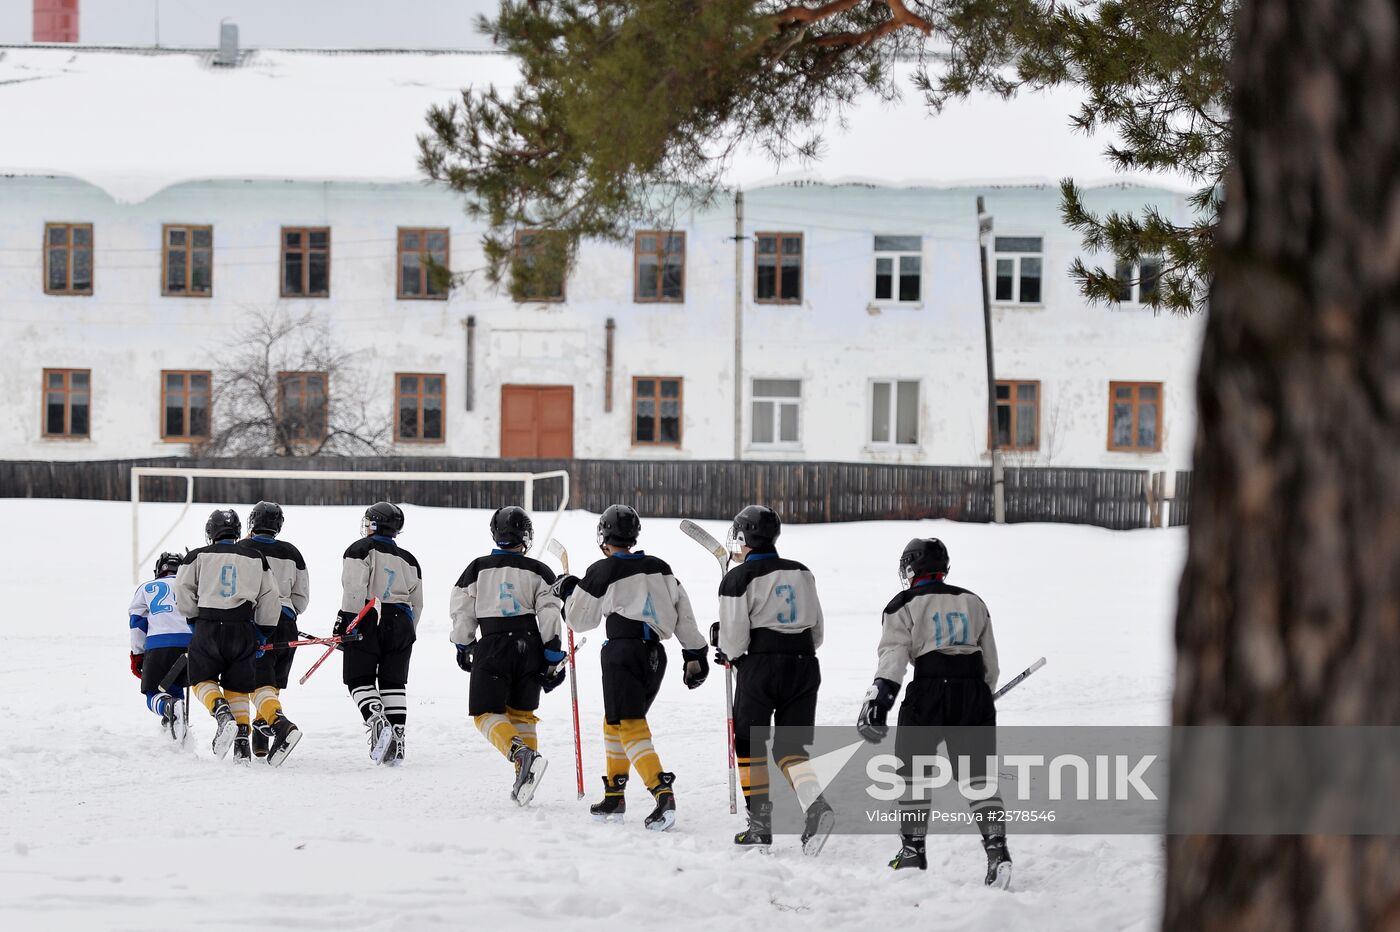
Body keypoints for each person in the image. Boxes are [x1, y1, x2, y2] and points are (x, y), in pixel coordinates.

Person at [855, 537, 1011, 889]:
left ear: (912, 567)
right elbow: (991, 664)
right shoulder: (974, 601)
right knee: (978, 779)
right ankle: (997, 852)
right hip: (972, 690)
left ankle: (912, 850)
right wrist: (981, 698)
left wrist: (878, 700)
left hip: (929, 692)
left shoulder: (903, 603)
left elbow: (893, 656)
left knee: (912, 771)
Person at [559, 505, 709, 831]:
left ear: (603, 536)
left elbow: (578, 619)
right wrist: (694, 653)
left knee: (628, 724)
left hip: (622, 652)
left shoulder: (603, 570)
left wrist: (568, 590)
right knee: (616, 722)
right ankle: (615, 794)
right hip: (656, 656)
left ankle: (662, 791)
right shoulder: (660, 567)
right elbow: (683, 612)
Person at [714, 504, 831, 854]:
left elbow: (734, 640)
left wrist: (727, 650)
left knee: (749, 744)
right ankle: (816, 806)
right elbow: (818, 633)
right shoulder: (802, 571)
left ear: (744, 538)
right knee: (791, 748)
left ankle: (760, 826)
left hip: (761, 667)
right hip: (805, 664)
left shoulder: (737, 579)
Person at [449, 506, 565, 806]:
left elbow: (462, 610)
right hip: (530, 647)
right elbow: (550, 611)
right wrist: (551, 652)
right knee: (522, 714)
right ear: (526, 537)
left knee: (485, 714)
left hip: (493, 644)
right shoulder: (539, 570)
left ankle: (521, 754)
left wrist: (464, 644)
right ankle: (524, 773)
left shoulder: (477, 567)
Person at [174, 509, 282, 761]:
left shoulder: (196, 556)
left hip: (208, 624)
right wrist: (262, 631)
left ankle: (220, 710)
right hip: (243, 626)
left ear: (211, 532)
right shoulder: (256, 557)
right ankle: (242, 746)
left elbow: (182, 588)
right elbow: (270, 596)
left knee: (201, 678)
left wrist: (192, 617)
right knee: (238, 685)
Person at [335, 501, 423, 766]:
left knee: (358, 678)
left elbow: (354, 588)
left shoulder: (360, 548)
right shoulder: (410, 559)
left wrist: (346, 622)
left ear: (373, 524)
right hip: (402, 622)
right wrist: (408, 631)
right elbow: (417, 602)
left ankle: (376, 718)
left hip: (369, 616)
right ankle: (397, 738)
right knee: (393, 682)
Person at [243, 501, 310, 767]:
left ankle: (280, 727)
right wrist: (289, 611)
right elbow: (302, 598)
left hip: (254, 620)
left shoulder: (242, 548)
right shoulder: (293, 552)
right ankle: (260, 734)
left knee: (257, 681)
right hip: (286, 621)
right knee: (271, 681)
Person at [128, 551, 193, 744]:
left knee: (154, 693)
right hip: (191, 645)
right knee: (176, 686)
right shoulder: (192, 586)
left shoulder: (147, 587)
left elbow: (137, 621)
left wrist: (138, 653)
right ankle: (176, 727)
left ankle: (167, 709)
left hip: (159, 645)